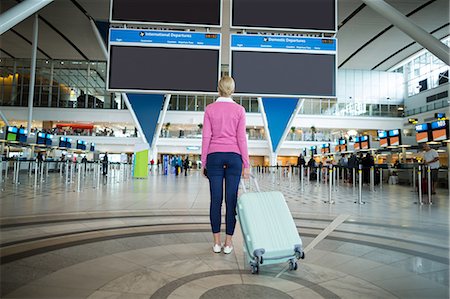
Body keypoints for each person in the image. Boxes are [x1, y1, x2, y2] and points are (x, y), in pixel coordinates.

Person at [201, 76, 250, 254]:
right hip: (234, 157)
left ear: (218, 88)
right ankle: (229, 242)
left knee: (215, 200)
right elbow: (241, 138)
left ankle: (216, 242)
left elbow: (206, 136)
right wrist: (246, 163)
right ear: (233, 89)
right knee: (231, 201)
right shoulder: (239, 110)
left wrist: (204, 161)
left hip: (214, 156)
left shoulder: (209, 109)